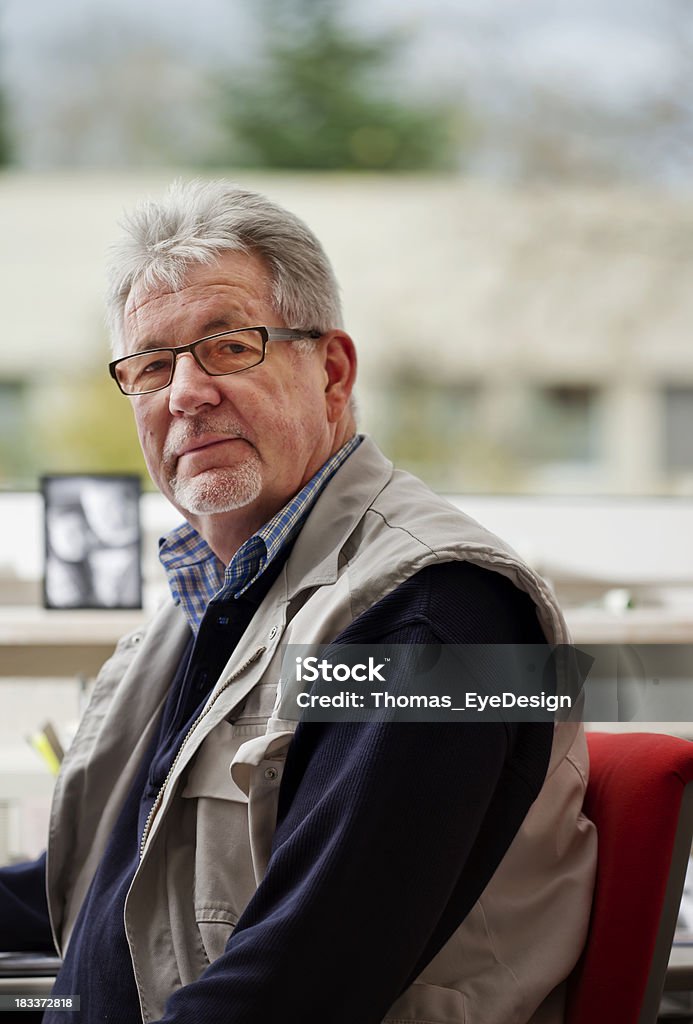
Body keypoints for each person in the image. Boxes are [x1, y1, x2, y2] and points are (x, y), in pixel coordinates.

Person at [0, 180, 596, 1024]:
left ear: (332, 371)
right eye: (152, 365)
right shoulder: (213, 603)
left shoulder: (438, 613)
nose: (184, 393)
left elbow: (305, 981)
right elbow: (114, 879)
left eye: (228, 346)